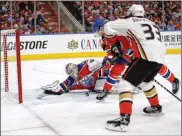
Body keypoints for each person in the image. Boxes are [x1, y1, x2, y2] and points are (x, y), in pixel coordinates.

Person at [95, 4, 180, 132]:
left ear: (130, 13)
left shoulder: (129, 22)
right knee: (147, 83)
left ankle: (124, 119)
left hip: (142, 57)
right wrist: (114, 52)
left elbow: (108, 27)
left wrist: (117, 46)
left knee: (124, 85)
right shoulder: (152, 23)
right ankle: (156, 106)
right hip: (159, 57)